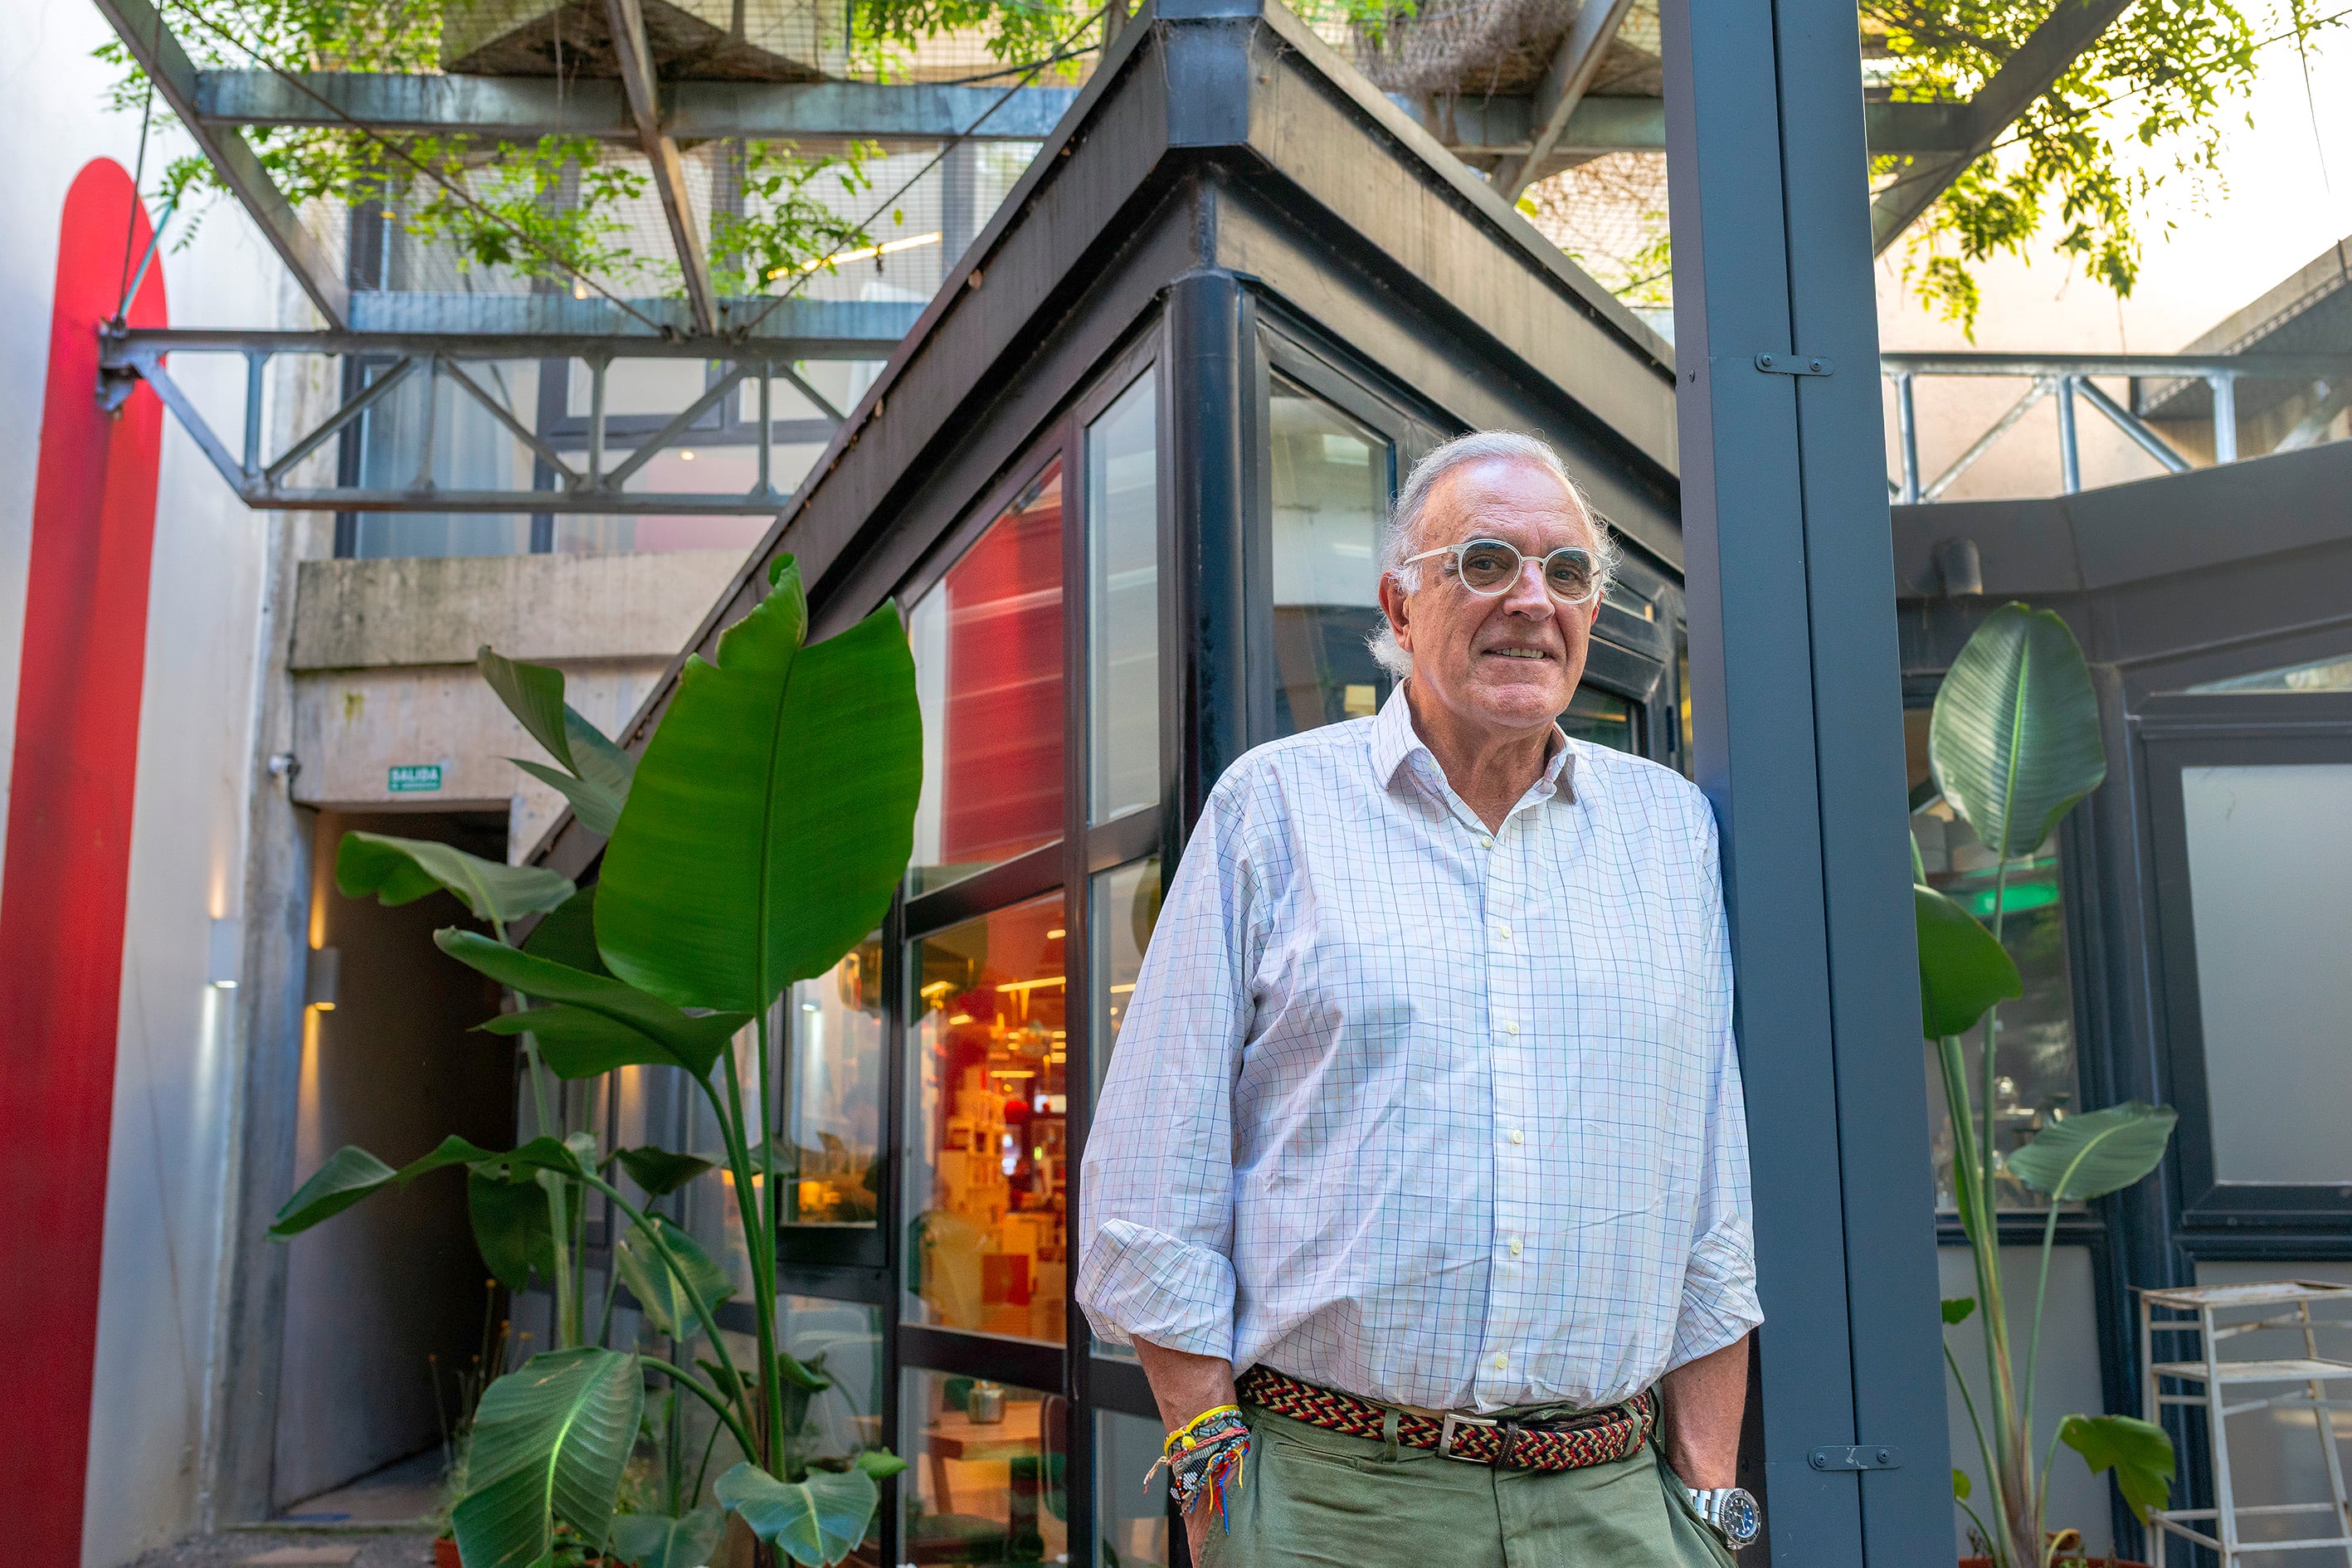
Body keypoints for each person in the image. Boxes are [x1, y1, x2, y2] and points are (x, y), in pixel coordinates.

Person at [1075, 431, 1763, 1567]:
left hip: (1616, 1505)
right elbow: (1152, 1184)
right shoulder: (1275, 809)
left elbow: (1710, 1188)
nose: (1533, 601)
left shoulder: (1669, 832)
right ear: (1400, 608)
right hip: (1333, 1503)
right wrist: (1216, 1489)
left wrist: (1708, 1491)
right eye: (1486, 562)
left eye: (1568, 571)